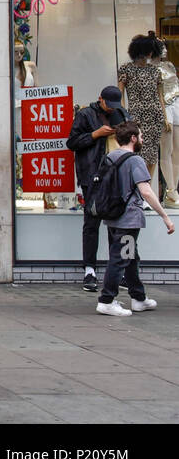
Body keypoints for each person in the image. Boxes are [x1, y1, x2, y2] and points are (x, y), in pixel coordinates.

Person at [94, 121, 173, 317]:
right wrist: (165, 216)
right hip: (127, 221)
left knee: (129, 258)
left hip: (112, 218)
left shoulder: (109, 157)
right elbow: (146, 191)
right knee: (121, 259)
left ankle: (138, 298)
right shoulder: (135, 160)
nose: (143, 139)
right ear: (133, 138)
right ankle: (107, 300)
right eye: (141, 135)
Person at [67, 86, 128, 292]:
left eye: (114, 106)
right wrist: (96, 134)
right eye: (108, 105)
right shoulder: (86, 114)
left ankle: (117, 271)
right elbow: (72, 142)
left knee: (116, 224)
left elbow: (130, 141)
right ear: (100, 99)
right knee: (91, 223)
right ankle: (90, 270)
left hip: (116, 176)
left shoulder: (121, 113)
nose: (111, 110)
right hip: (92, 176)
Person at [118, 33, 166, 189]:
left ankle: (147, 190)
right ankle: (136, 189)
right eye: (148, 50)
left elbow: (160, 96)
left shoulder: (155, 71)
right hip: (136, 117)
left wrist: (164, 117)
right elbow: (120, 95)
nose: (150, 54)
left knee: (152, 156)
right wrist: (124, 115)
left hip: (155, 116)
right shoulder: (126, 69)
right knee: (136, 154)